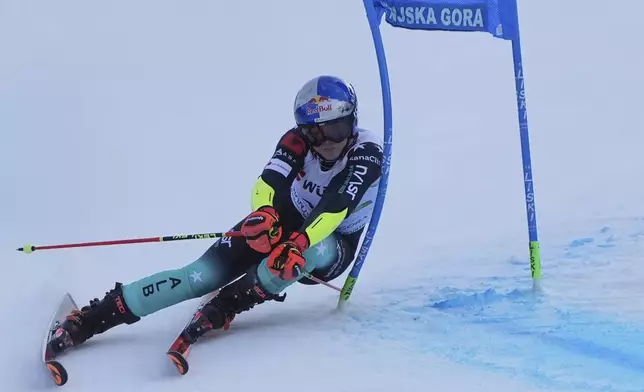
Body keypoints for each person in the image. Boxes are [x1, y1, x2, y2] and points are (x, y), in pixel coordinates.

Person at [49, 75, 384, 353]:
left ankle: (228, 305)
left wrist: (298, 241)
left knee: (302, 255)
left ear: (352, 121)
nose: (328, 142)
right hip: (285, 219)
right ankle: (92, 318)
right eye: (318, 133)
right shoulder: (296, 140)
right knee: (199, 275)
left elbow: (337, 206)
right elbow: (268, 182)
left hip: (330, 242)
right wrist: (264, 213)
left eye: (337, 130)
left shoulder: (367, 152)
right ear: (305, 130)